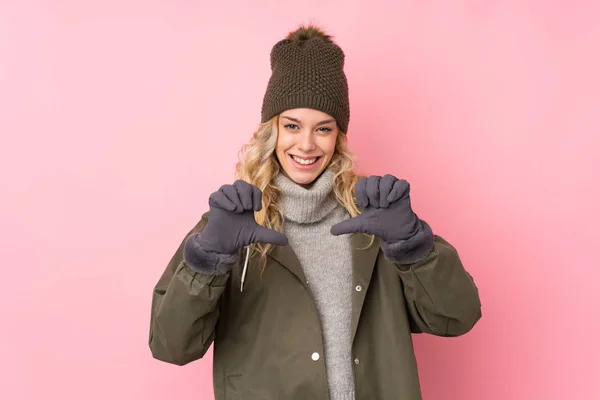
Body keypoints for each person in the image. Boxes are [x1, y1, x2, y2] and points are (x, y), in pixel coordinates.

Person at [149, 25, 481, 400]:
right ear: (271, 130)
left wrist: (412, 244)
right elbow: (171, 346)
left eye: (323, 128)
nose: (306, 144)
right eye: (292, 125)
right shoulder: (230, 225)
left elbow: (456, 317)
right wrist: (208, 258)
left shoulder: (376, 218)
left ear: (338, 135)